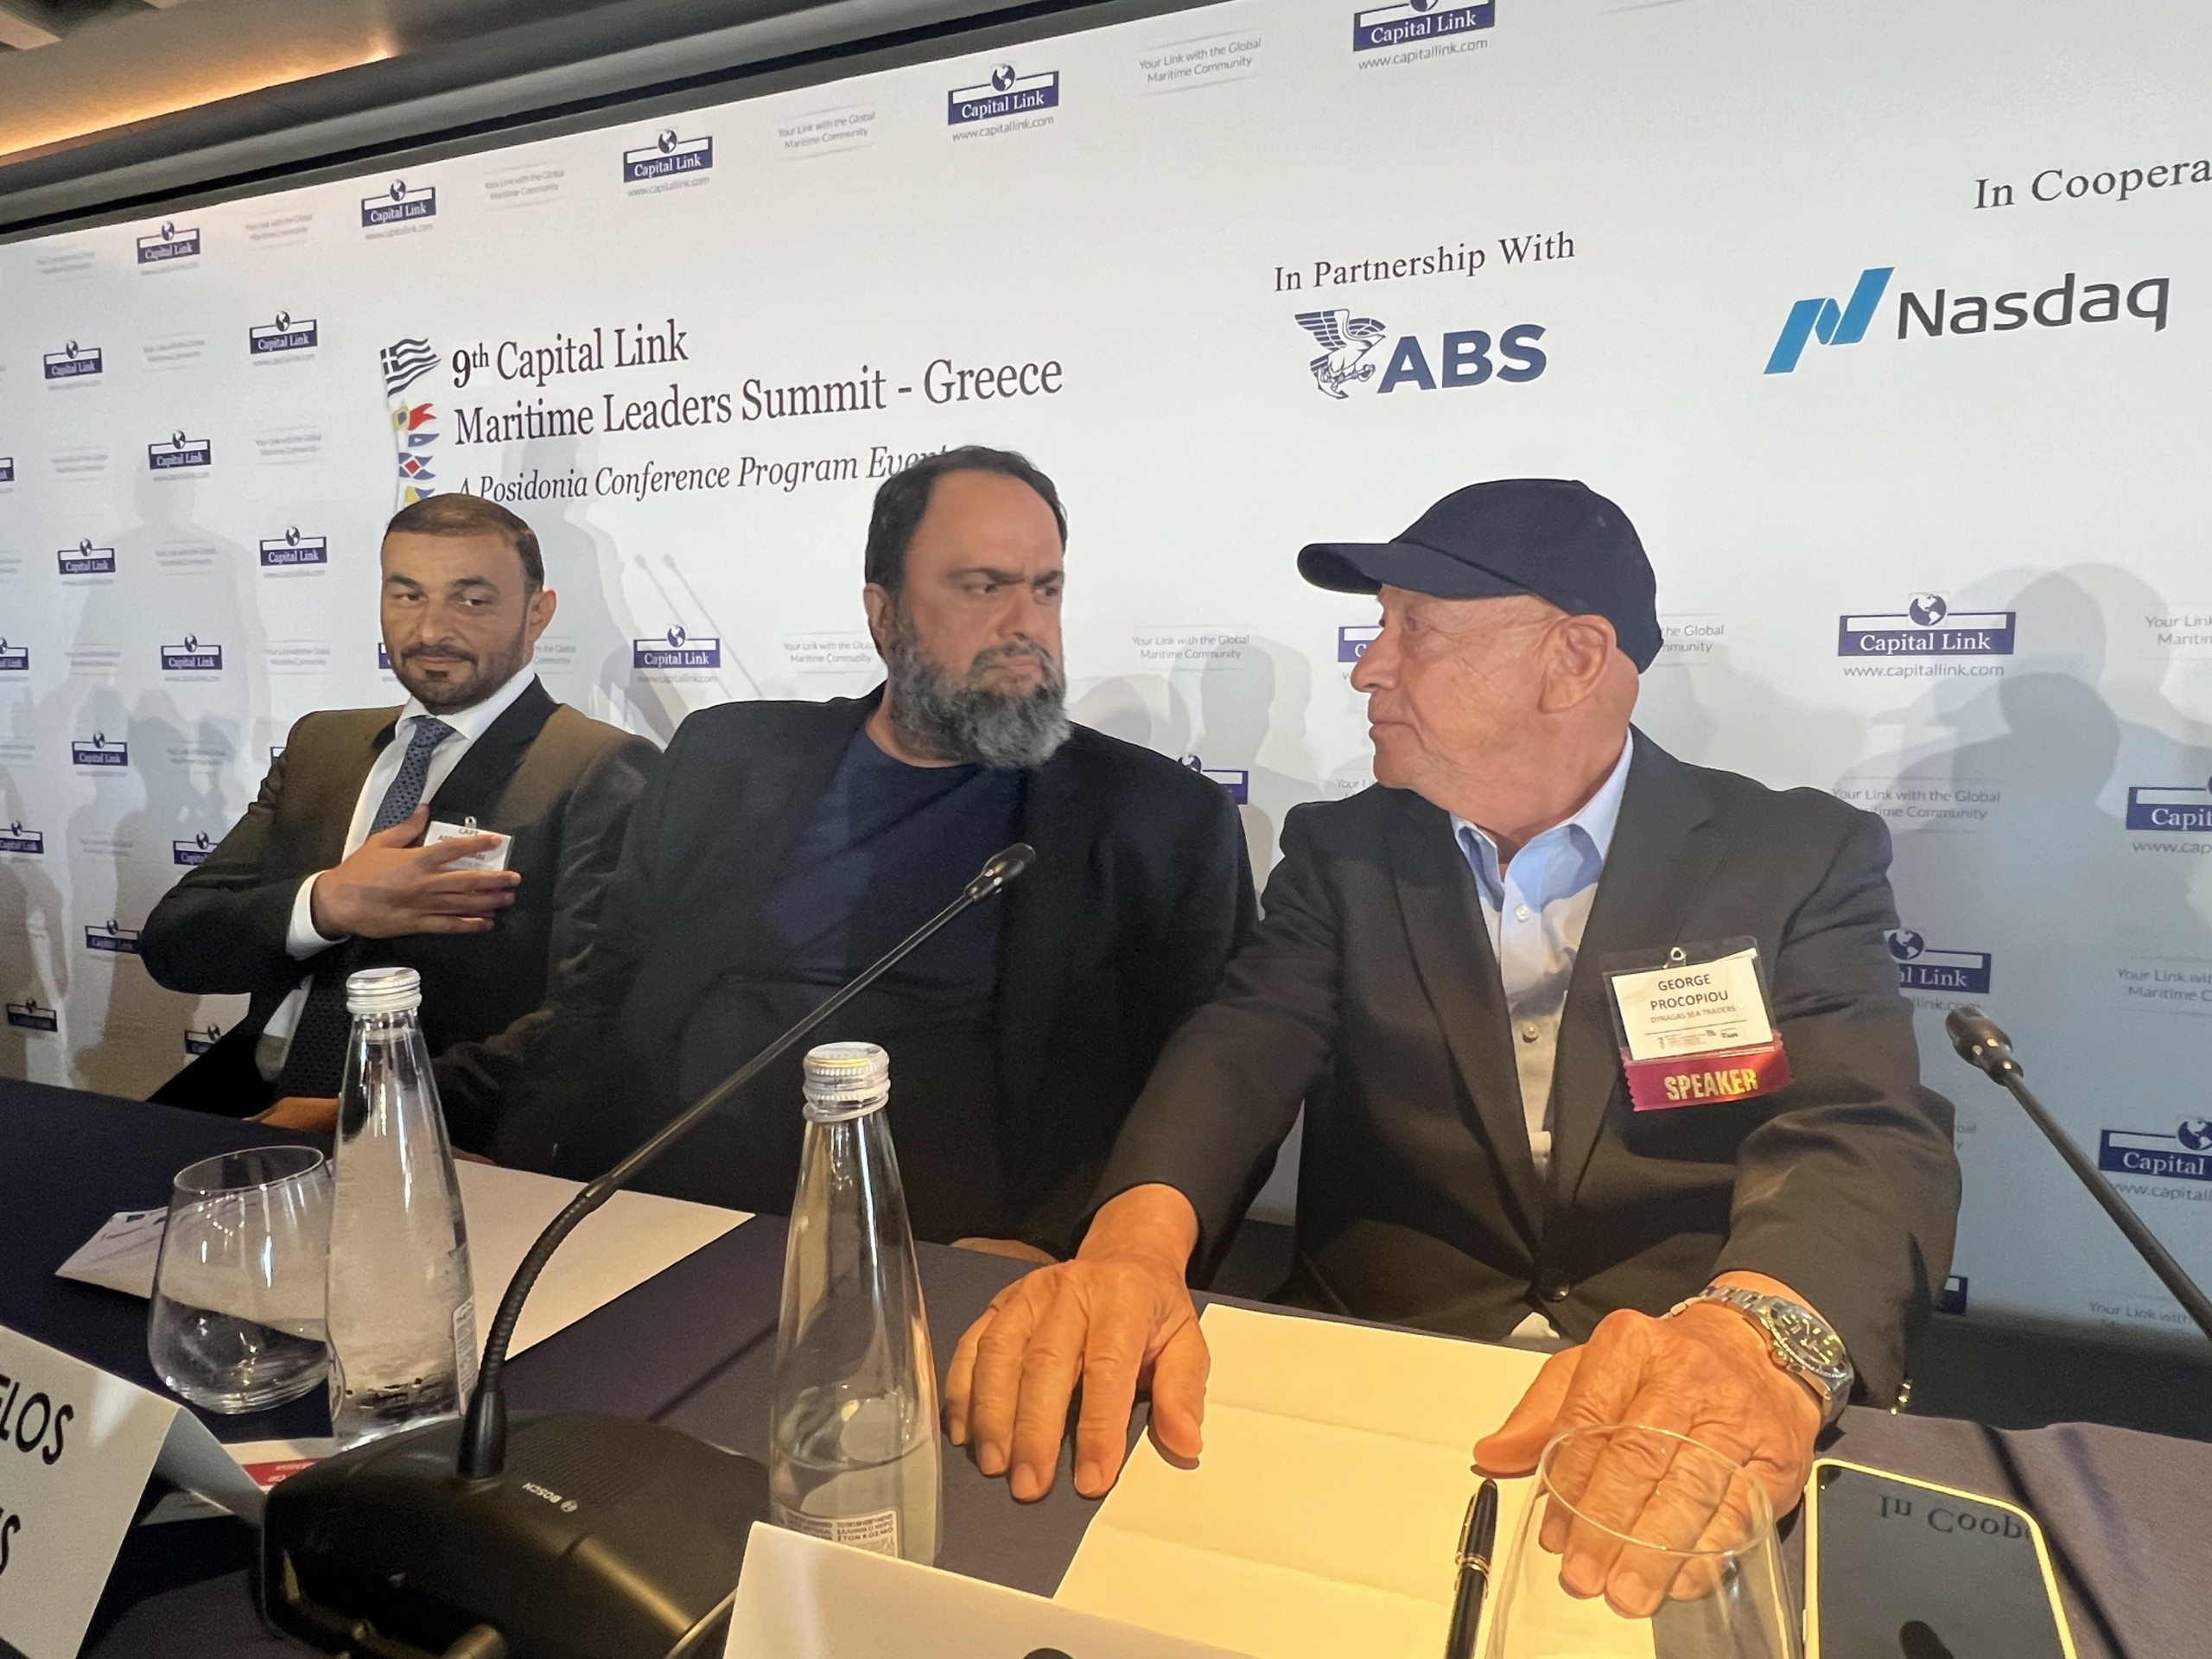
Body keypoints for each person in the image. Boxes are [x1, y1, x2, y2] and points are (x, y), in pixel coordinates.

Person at [944, 478, 1961, 1613]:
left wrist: (1753, 1342)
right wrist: (1133, 1247)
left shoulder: (1793, 855)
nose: (1368, 668)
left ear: (1573, 660)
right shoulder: (1344, 852)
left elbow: (1856, 1126)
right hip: (1378, 1371)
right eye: (1378, 626)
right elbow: (1240, 1048)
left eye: (1415, 630)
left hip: (1662, 1393)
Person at [477, 446, 1255, 1255]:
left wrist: (1077, 1249)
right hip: (657, 1215)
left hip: (951, 1254)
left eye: (1045, 589)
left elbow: (1207, 1094)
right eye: (983, 587)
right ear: (884, 615)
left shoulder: (1158, 818)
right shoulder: (723, 759)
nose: (1026, 626)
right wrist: (517, 1170)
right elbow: (597, 999)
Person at [141, 495, 658, 1150]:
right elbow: (175, 946)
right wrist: (326, 904)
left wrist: (363, 1108)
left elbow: (588, 1015)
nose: (431, 629)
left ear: (537, 613)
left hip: (438, 1135)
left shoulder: (596, 766)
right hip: (244, 1100)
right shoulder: (320, 746)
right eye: (407, 595)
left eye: (472, 600)